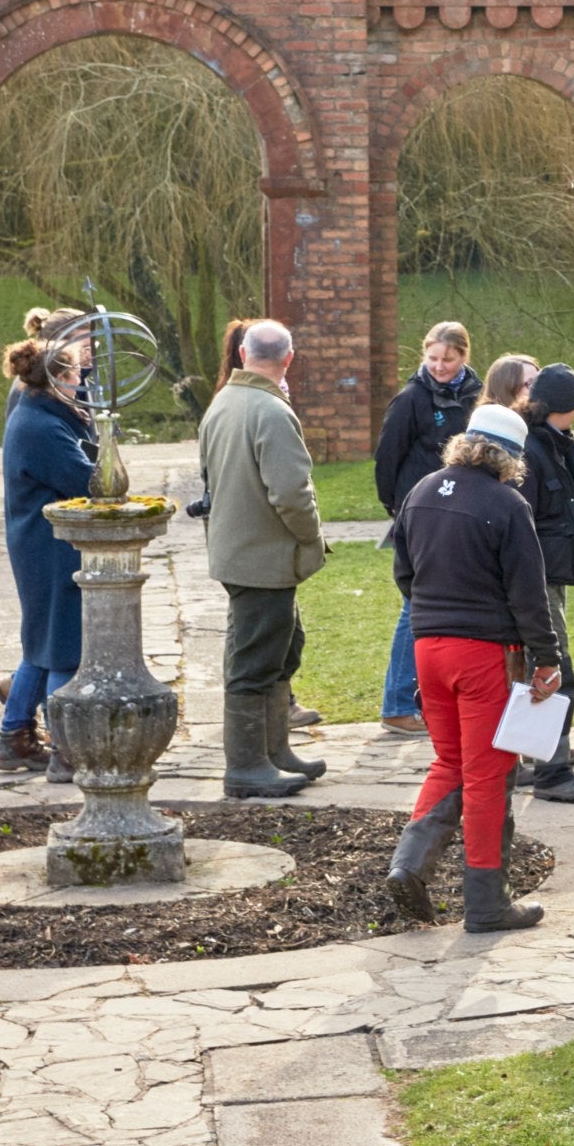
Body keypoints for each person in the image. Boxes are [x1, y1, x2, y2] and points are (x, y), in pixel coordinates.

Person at [380, 404, 563, 932]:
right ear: (511, 457)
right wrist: (546, 660)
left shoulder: (419, 491)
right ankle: (486, 903)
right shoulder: (506, 504)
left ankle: (409, 865)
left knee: (450, 762)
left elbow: (405, 573)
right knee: (488, 775)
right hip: (483, 655)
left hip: (427, 649)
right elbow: (529, 595)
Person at [197, 319, 327, 797]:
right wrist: (312, 535)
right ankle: (248, 767)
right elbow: (291, 493)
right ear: (288, 358)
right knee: (254, 661)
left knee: (284, 645)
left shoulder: (223, 403)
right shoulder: (270, 411)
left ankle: (276, 752)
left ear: (243, 354)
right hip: (263, 557)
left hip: (241, 551)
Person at [0, 331, 94, 775]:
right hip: (51, 548)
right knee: (63, 648)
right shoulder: (44, 426)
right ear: (57, 380)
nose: (80, 381)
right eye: (74, 374)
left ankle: (14, 737)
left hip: (35, 542)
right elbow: (90, 482)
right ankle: (65, 752)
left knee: (41, 643)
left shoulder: (36, 413)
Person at [373, 323, 480, 738]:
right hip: (421, 515)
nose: (438, 366)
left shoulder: (476, 395)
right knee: (415, 605)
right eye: (432, 358)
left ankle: (441, 698)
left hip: (464, 515)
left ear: (463, 357)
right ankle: (398, 704)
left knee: (450, 606)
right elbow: (387, 459)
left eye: (447, 359)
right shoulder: (411, 399)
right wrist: (399, 509)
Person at [511, 362, 574, 803]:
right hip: (537, 578)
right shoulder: (533, 452)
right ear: (571, 408)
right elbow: (520, 525)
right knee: (553, 667)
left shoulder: (549, 442)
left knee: (536, 667)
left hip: (548, 572)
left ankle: (534, 756)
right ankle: (552, 772)